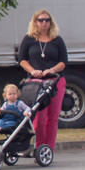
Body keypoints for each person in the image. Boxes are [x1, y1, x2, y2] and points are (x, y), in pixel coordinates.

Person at [18, 9, 67, 151]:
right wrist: (33, 70)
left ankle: (48, 149)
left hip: (55, 81)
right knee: (39, 118)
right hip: (36, 83)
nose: (44, 23)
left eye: (47, 20)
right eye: (41, 20)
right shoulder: (28, 39)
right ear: (35, 22)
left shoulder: (57, 39)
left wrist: (51, 70)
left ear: (50, 22)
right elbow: (22, 60)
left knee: (53, 118)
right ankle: (39, 147)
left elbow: (64, 62)